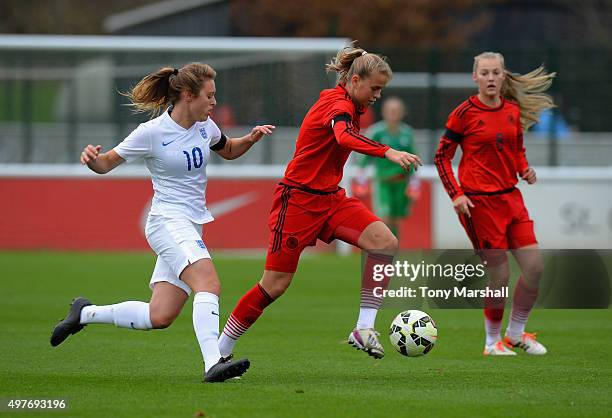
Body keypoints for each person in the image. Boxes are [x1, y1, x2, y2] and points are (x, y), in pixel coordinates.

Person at [50, 63, 275, 382]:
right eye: (209, 96)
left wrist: (250, 139)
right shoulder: (152, 133)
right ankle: (214, 362)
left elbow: (227, 150)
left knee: (160, 315)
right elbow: (106, 163)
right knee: (208, 283)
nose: (214, 102)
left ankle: (84, 313)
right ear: (187, 95)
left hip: (190, 225)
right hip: (167, 222)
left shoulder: (204, 125)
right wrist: (92, 160)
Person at [216, 43, 422, 362]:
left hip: (331, 199)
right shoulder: (336, 104)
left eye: (382, 90)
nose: (378, 96)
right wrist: (388, 151)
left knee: (384, 242)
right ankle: (219, 350)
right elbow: (343, 137)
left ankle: (363, 329)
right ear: (355, 81)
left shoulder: (351, 105)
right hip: (297, 200)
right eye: (375, 88)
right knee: (275, 284)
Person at [434, 52, 554, 356]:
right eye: (484, 73)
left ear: (503, 76)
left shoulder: (512, 111)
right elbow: (441, 157)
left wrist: (524, 169)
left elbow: (516, 148)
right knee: (499, 275)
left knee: (535, 268)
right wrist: (456, 194)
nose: (490, 78)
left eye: (495, 72)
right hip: (478, 204)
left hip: (511, 199)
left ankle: (514, 334)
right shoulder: (463, 113)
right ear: (475, 77)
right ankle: (491, 342)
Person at [357, 97, 419, 239]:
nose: (394, 114)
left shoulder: (407, 133)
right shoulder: (376, 132)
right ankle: (382, 251)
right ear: (384, 112)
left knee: (396, 220)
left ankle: (393, 253)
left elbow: (414, 158)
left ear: (402, 113)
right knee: (384, 218)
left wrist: (414, 184)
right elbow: (364, 158)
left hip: (401, 183)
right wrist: (362, 181)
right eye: (391, 111)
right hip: (383, 182)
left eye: (397, 111)